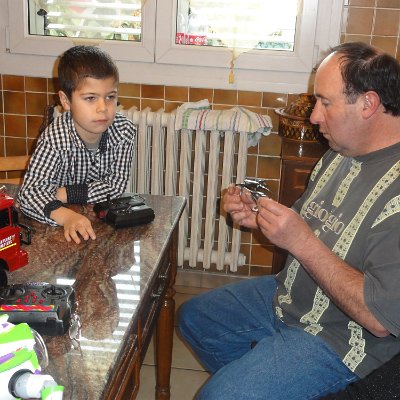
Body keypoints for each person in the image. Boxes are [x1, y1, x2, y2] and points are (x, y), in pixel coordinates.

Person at [178, 41, 400, 399]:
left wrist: (299, 240)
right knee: (195, 319)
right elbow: (313, 224)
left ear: (368, 104)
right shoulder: (341, 152)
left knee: (217, 397)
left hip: (343, 339)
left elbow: (378, 319)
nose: (314, 116)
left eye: (325, 102)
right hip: (292, 298)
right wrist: (260, 217)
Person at [18, 45, 136, 244]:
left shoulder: (124, 131)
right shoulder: (54, 138)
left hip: (100, 228)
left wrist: (64, 193)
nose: (103, 108)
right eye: (90, 98)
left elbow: (115, 187)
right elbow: (29, 195)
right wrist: (66, 217)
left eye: (110, 97)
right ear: (66, 101)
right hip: (56, 233)